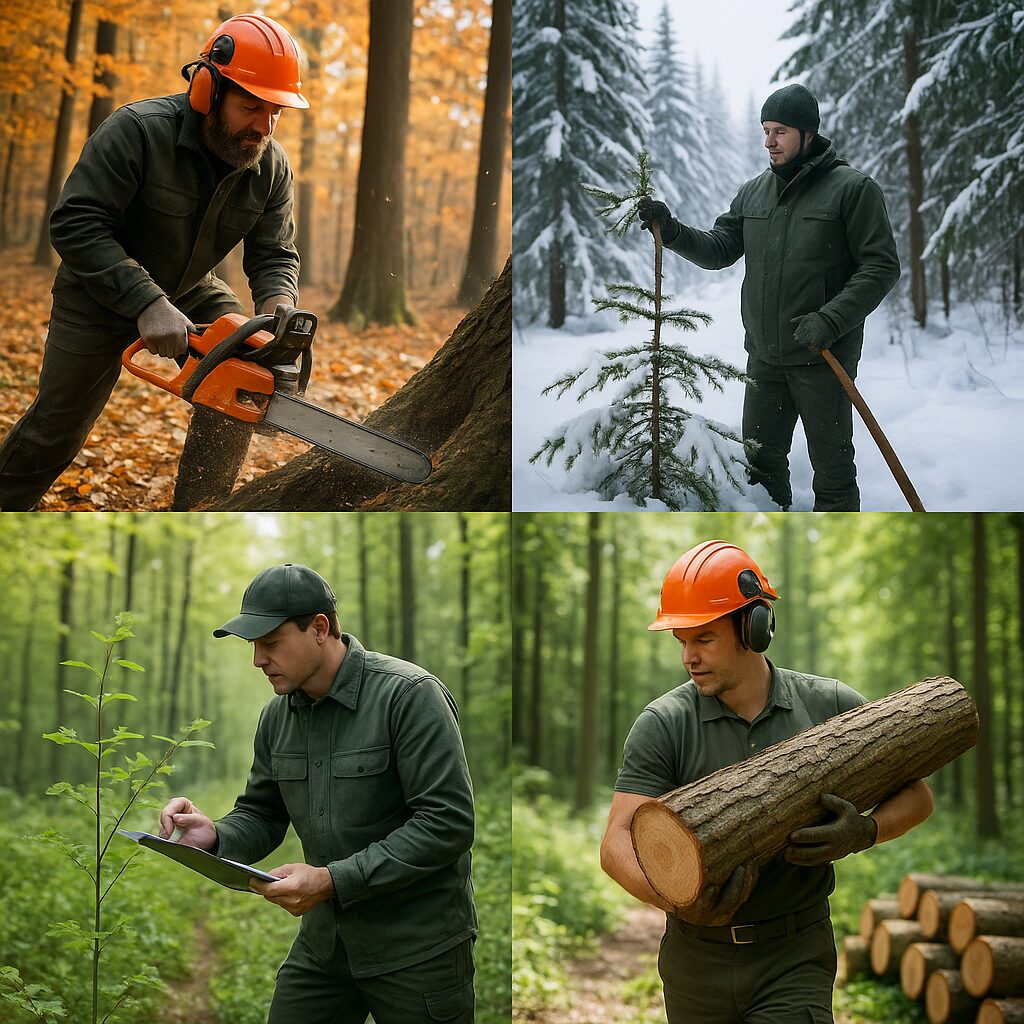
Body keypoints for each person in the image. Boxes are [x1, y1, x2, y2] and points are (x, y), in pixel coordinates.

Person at [600, 540, 932, 1024]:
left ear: (753, 628)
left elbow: (918, 797)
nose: (689, 657)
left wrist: (865, 831)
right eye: (682, 642)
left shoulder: (830, 708)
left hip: (794, 953)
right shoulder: (663, 723)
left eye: (704, 638)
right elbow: (615, 843)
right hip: (695, 960)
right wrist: (678, 902)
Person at [0, 13, 308, 511]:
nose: (263, 126)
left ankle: (201, 508)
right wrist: (146, 302)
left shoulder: (269, 166)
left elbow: (274, 252)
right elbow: (76, 223)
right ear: (208, 89)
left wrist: (279, 307)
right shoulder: (137, 131)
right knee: (57, 428)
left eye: (275, 112)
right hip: (96, 290)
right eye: (252, 107)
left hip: (191, 288)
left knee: (245, 367)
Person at [157, 563, 477, 1024]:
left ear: (320, 628)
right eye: (254, 647)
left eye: (270, 644)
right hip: (325, 947)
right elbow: (263, 813)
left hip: (419, 949)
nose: (258, 660)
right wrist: (213, 835)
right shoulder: (276, 718)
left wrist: (330, 880)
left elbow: (448, 824)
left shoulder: (409, 696)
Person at [638, 84, 901, 512]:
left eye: (780, 131)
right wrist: (673, 232)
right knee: (760, 470)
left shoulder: (853, 189)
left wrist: (831, 320)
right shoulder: (754, 191)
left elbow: (881, 267)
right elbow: (721, 248)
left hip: (823, 359)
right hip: (764, 358)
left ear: (808, 134)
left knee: (832, 472)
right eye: (765, 130)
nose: (769, 141)